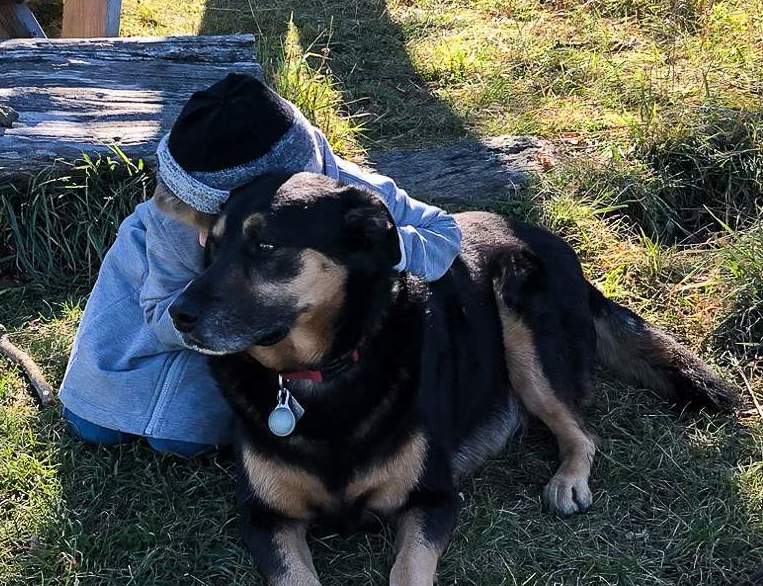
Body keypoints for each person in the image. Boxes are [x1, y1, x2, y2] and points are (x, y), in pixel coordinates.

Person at [58, 73, 462, 455]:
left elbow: (443, 232)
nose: (219, 235)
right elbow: (160, 309)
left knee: (182, 438)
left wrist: (380, 247)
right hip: (151, 333)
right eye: (214, 226)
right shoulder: (174, 220)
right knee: (94, 421)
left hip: (242, 341)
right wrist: (228, 314)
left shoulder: (345, 195)